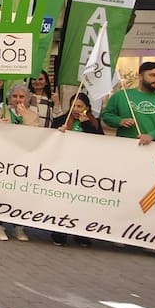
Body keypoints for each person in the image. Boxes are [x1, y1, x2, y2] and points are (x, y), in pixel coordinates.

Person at [49, 92, 104, 246]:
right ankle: (59, 232)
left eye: (80, 106)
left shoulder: (95, 122)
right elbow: (51, 139)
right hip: (65, 167)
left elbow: (100, 143)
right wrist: (59, 132)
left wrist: (86, 124)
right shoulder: (62, 120)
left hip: (86, 168)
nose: (76, 109)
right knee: (63, 200)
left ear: (87, 107)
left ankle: (81, 234)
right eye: (73, 105)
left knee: (81, 202)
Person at [0, 83, 40, 241]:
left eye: (21, 96)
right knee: (1, 192)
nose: (18, 100)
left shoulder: (32, 115)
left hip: (23, 160)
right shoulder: (2, 112)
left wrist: (24, 116)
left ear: (27, 99)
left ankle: (18, 227)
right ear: (9, 97)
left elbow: (36, 135)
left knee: (20, 193)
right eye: (14, 96)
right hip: (4, 159)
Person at [101, 61, 155, 145]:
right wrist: (119, 121)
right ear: (140, 76)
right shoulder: (122, 95)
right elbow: (107, 115)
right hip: (125, 146)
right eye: (152, 75)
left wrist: (151, 136)